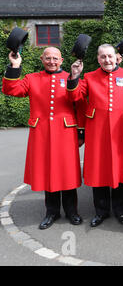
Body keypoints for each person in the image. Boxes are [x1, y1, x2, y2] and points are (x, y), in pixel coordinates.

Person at [2, 47, 82, 229]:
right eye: (48, 58)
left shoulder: (71, 77)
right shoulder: (32, 79)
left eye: (55, 58)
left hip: (66, 132)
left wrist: (81, 132)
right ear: (42, 59)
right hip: (42, 132)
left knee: (67, 172)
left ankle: (72, 211)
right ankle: (51, 212)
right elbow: (11, 89)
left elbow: (79, 101)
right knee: (49, 172)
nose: (51, 61)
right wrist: (15, 66)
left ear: (61, 60)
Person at [68, 44, 123, 227]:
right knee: (99, 170)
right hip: (97, 130)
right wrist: (75, 76)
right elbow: (75, 97)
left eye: (109, 56)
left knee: (121, 171)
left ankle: (120, 210)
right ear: (98, 59)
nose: (107, 60)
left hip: (122, 130)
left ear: (116, 57)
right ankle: (101, 211)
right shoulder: (89, 77)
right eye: (103, 57)